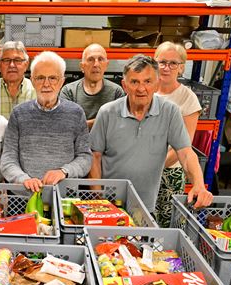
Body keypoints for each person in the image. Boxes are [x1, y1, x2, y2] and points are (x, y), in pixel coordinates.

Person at [89, 54, 212, 213]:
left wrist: (199, 185)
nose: (141, 89)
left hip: (145, 205)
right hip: (109, 203)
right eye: (134, 82)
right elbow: (94, 156)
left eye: (147, 81)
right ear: (124, 85)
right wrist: (100, 198)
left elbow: (186, 153)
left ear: (157, 84)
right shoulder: (107, 112)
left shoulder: (170, 112)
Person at [0, 51, 92, 192]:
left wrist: (64, 171)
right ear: (32, 80)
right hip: (24, 197)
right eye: (40, 78)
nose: (46, 84)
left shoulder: (76, 113)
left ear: (62, 81)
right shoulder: (19, 114)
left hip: (64, 197)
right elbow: (8, 159)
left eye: (53, 78)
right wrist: (23, 179)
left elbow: (85, 157)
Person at [154, 42, 203, 227]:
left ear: (181, 67)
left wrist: (156, 167)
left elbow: (184, 144)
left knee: (165, 224)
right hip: (141, 168)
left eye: (173, 63)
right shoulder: (146, 91)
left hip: (169, 172)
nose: (166, 67)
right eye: (162, 62)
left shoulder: (188, 98)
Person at [61, 43, 124, 129]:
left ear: (106, 65)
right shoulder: (68, 91)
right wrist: (104, 120)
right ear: (82, 66)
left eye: (100, 59)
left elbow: (118, 126)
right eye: (90, 59)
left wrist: (82, 124)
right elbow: (66, 126)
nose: (96, 64)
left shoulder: (116, 92)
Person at [0, 41, 36, 120]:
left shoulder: (37, 92)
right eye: (6, 60)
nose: (12, 65)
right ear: (0, 65)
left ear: (26, 65)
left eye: (17, 60)